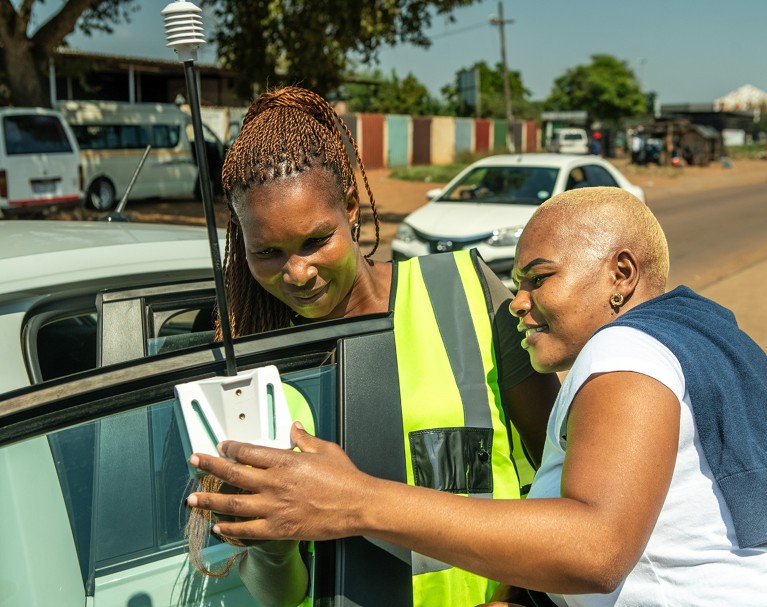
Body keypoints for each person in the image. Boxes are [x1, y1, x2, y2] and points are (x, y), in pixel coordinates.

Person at [187, 186, 767, 606]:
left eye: (539, 279)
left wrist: (354, 500)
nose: (516, 302)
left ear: (621, 274)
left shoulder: (624, 352)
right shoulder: (716, 335)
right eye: (268, 252)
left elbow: (595, 548)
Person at [186, 85, 560, 607]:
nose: (298, 272)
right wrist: (269, 546)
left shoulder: (466, 290)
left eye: (316, 240)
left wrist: (515, 597)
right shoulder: (251, 368)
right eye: (268, 252)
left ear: (353, 211)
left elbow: (559, 476)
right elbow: (281, 596)